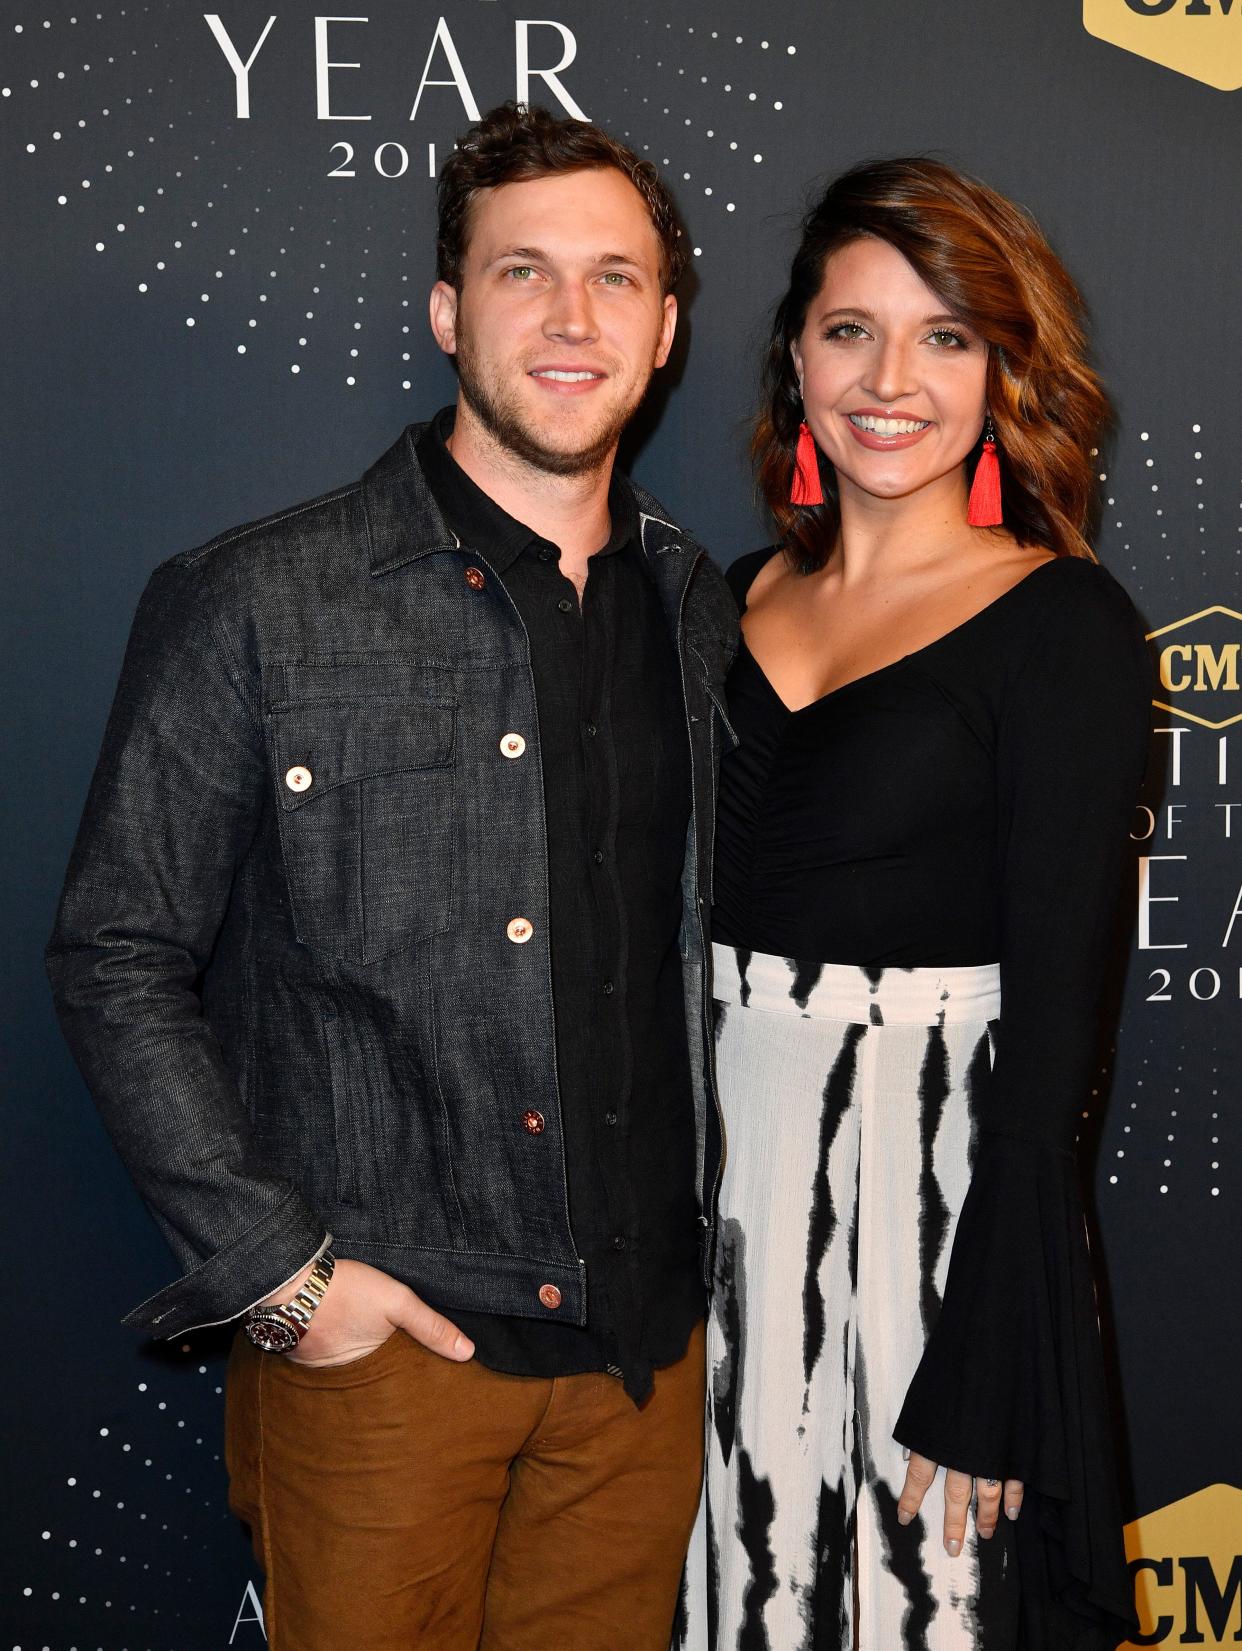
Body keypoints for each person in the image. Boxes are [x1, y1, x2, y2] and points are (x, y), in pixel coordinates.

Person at [46, 103, 738, 1651]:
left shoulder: (700, 609)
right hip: (389, 1361)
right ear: (446, 311)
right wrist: (280, 1281)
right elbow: (116, 949)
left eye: (615, 278)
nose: (573, 319)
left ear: (666, 324)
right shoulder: (256, 601)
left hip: (644, 1371)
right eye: (522, 274)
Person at [676, 159, 1148, 1651]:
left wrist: (997, 1330)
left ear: (1004, 370)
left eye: (945, 337)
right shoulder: (724, 600)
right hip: (704, 1226)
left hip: (922, 1216)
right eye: (848, 331)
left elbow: (1067, 1012)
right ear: (792, 361)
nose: (890, 380)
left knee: (911, 1605)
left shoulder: (1060, 622)